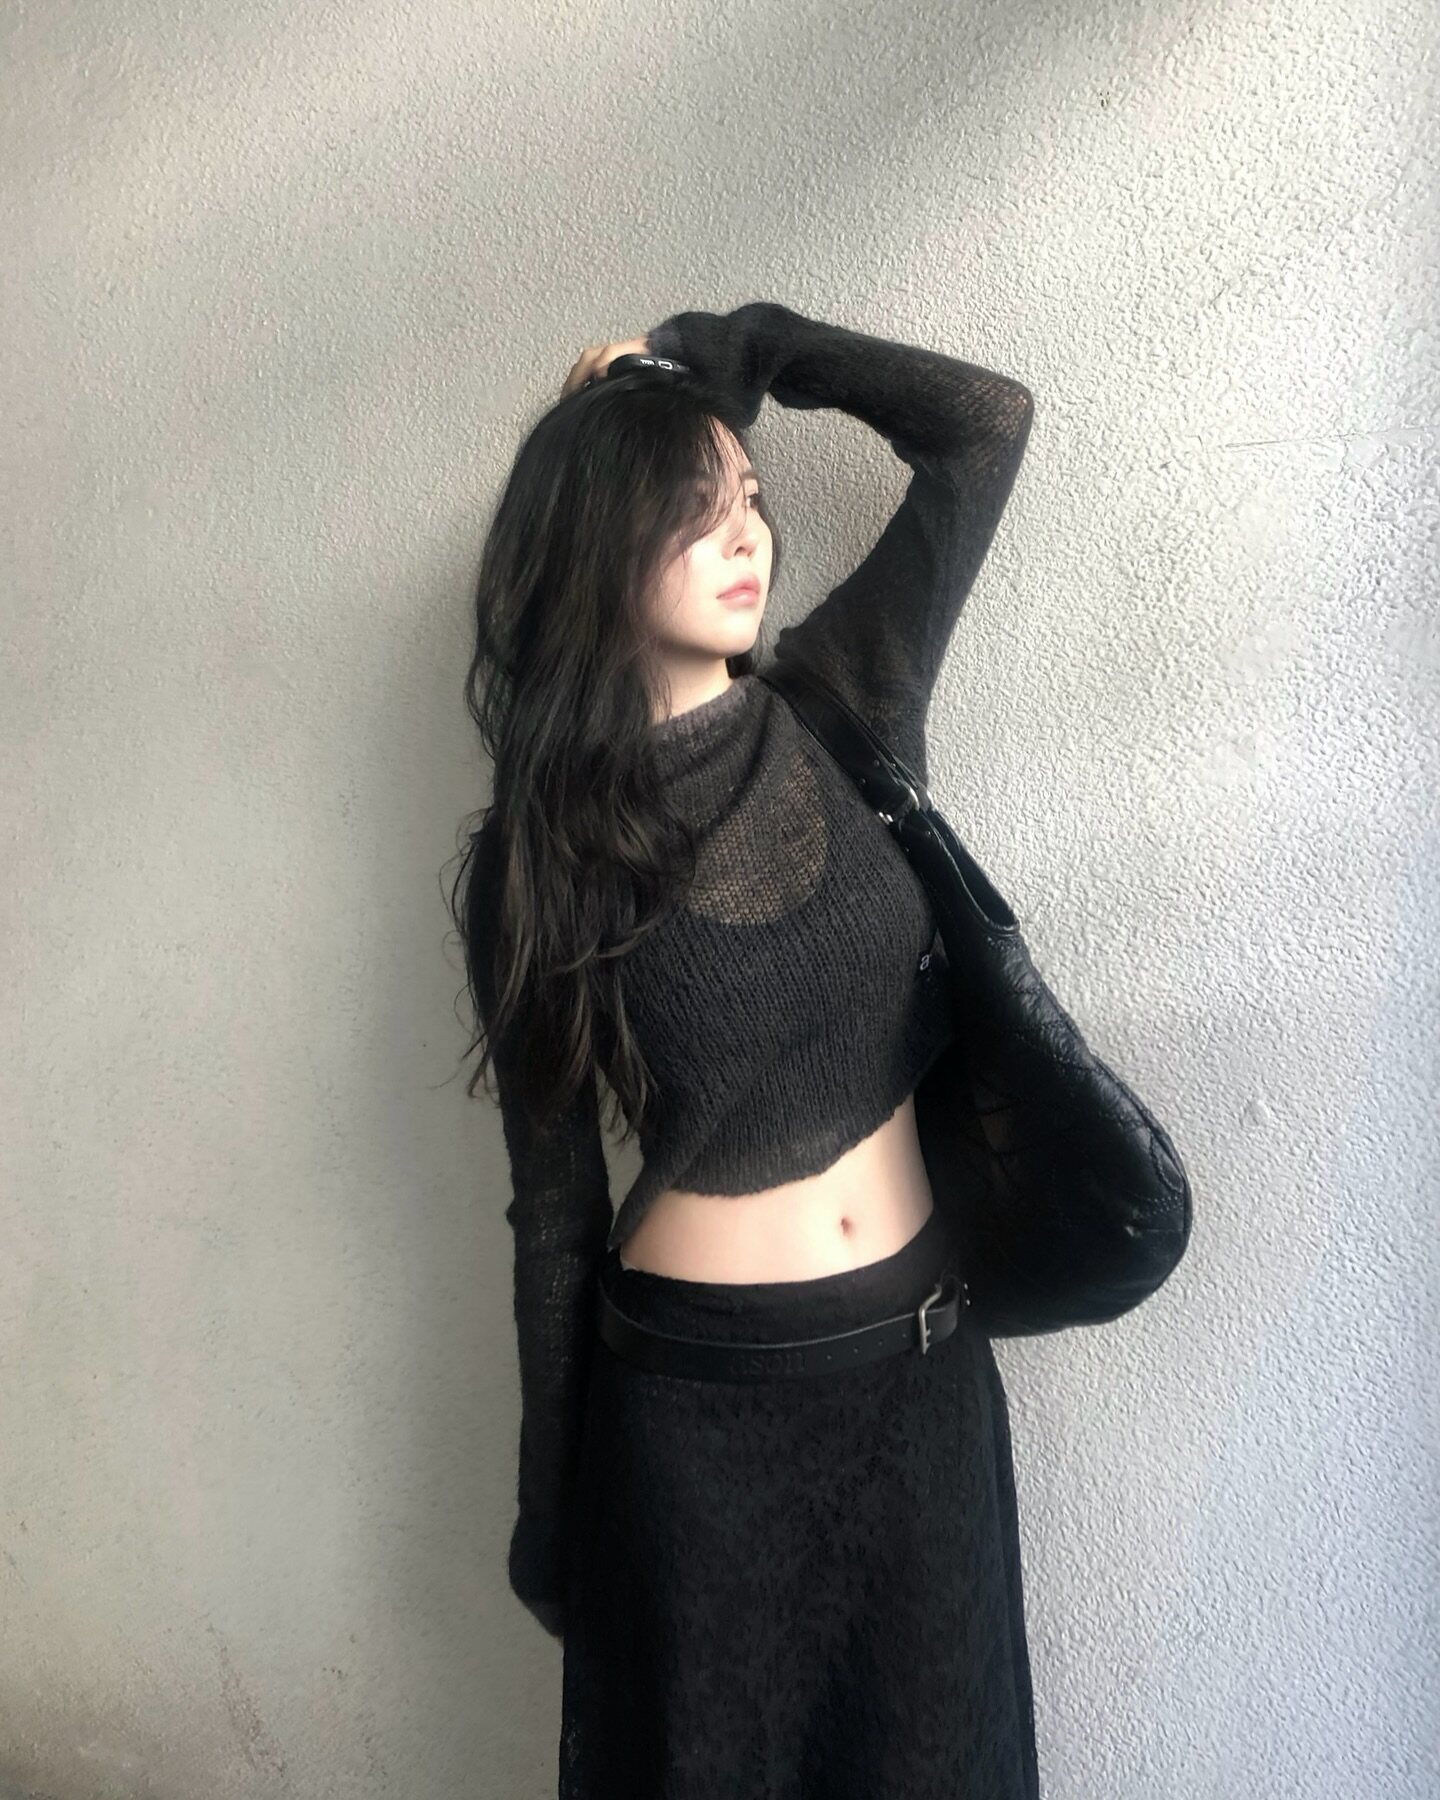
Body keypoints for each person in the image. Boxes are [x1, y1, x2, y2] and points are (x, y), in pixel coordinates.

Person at [452, 300, 1038, 1798]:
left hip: (920, 1376)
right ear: (595, 540)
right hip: (696, 1421)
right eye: (692, 507)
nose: (747, 536)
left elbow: (983, 430)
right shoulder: (539, 856)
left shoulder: (843, 703)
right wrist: (551, 1507)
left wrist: (759, 351)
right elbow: (555, 1209)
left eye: (751, 497)